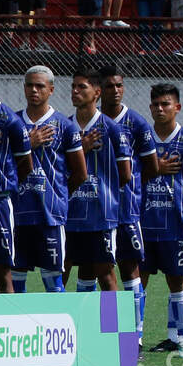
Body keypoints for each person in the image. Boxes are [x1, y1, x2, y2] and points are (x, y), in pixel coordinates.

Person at [138, 83, 183, 355]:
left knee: (177, 282)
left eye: (165, 104)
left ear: (177, 108)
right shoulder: (142, 139)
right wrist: (156, 169)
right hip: (143, 224)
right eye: (155, 104)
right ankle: (136, 339)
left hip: (176, 226)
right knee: (137, 282)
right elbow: (130, 175)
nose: (159, 109)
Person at [11, 67, 87, 294]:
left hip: (50, 217)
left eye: (40, 86)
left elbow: (80, 173)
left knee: (54, 283)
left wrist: (59, 196)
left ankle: (59, 329)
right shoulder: (13, 123)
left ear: (51, 90)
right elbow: (4, 166)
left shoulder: (65, 126)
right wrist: (27, 144)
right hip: (18, 215)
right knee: (15, 282)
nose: (34, 90)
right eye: (29, 85)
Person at [96, 68, 159, 326]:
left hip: (127, 210)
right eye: (110, 86)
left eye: (119, 85)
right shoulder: (90, 120)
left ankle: (136, 333)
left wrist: (130, 187)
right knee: (100, 270)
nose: (116, 91)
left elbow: (152, 167)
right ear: (100, 90)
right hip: (97, 211)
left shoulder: (137, 123)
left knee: (131, 271)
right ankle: (110, 330)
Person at [64, 70, 132, 295]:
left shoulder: (112, 129)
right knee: (62, 270)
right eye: (73, 86)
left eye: (81, 87)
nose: (75, 91)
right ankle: (77, 327)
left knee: (105, 273)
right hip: (68, 212)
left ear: (97, 93)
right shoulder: (65, 126)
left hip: (100, 214)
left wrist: (105, 194)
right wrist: (79, 149)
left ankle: (111, 328)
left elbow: (125, 174)